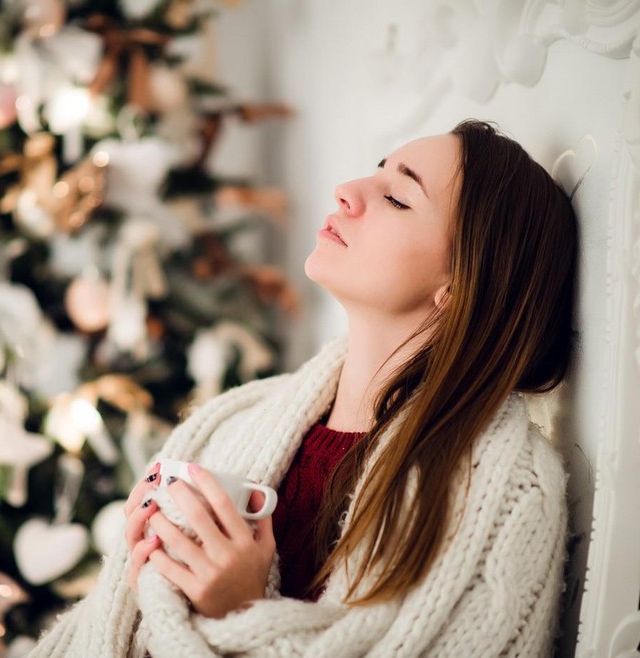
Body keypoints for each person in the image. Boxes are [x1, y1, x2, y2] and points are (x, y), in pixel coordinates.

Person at [29, 119, 577, 657]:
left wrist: (239, 611)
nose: (348, 192)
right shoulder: (239, 419)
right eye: (376, 171)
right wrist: (153, 577)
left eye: (398, 198)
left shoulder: (508, 498)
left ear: (459, 287)